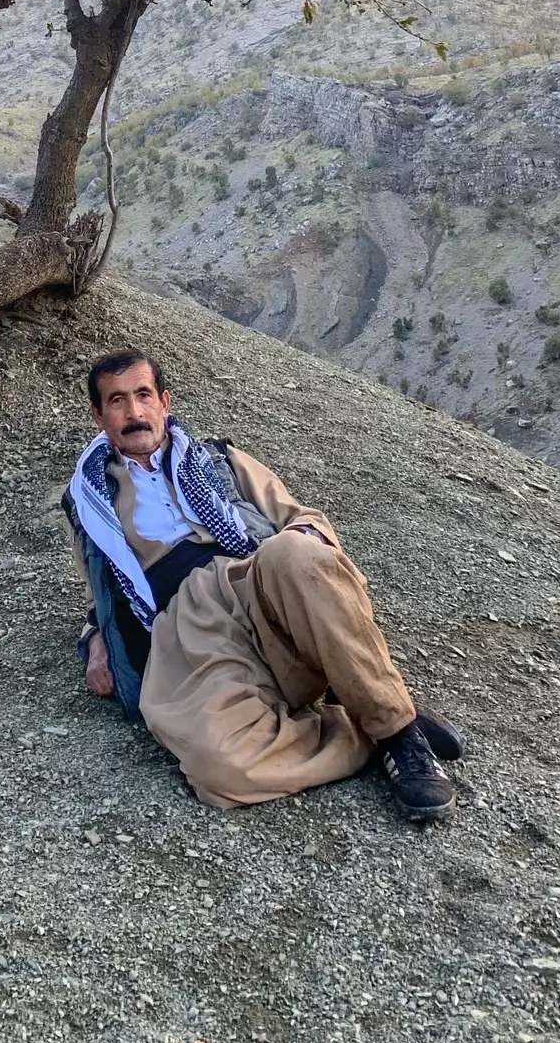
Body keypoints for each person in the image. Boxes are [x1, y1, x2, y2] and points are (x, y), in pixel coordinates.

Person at [63, 347, 462, 821]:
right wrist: (95, 640)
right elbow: (101, 592)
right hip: (187, 625)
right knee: (219, 768)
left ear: (164, 402)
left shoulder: (219, 459)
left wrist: (293, 572)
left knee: (297, 552)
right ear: (98, 415)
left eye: (143, 395)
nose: (134, 413)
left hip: (257, 584)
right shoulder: (88, 499)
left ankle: (400, 736)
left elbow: (304, 520)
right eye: (117, 401)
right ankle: (366, 726)